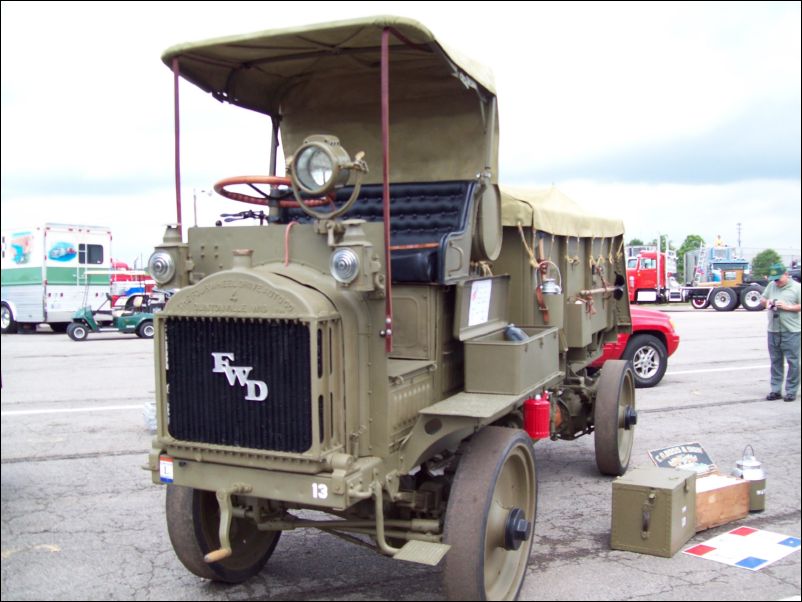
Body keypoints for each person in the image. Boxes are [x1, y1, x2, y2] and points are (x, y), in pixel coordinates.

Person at [760, 263, 801, 401]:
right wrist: (767, 303)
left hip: (791, 330)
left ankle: (791, 390)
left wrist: (787, 307)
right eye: (774, 279)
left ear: (786, 274)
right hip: (773, 330)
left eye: (778, 278)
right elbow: (763, 299)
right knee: (775, 361)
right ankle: (775, 389)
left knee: (793, 362)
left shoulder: (797, 288)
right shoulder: (771, 285)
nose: (776, 281)